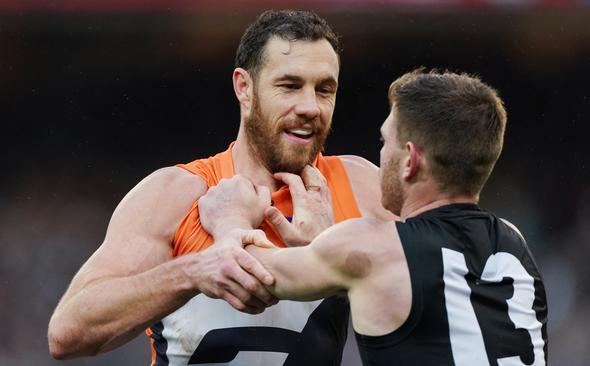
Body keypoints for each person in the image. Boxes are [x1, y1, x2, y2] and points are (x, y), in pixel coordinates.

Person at [48, 10, 393, 365]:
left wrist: (336, 257)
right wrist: (194, 271)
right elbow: (68, 333)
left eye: (324, 90)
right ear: (244, 88)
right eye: (289, 86)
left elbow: (436, 308)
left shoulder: (363, 188)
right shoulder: (176, 194)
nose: (310, 107)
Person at [201, 69, 549, 365]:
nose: (380, 155)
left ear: (410, 160)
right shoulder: (514, 241)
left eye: (385, 142)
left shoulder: (374, 246)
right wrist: (325, 247)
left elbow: (250, 273)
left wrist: (230, 219)